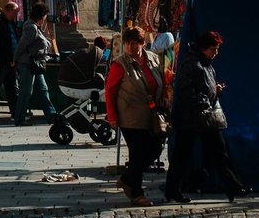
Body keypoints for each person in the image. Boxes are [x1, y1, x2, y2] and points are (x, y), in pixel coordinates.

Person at [164, 29, 247, 204]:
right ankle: (173, 189)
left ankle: (233, 186)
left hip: (205, 117)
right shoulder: (192, 63)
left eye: (217, 50)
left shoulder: (206, 64)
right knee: (183, 156)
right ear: (203, 48)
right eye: (213, 49)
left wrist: (215, 90)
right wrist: (207, 97)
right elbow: (185, 89)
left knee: (219, 152)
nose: (215, 53)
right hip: (190, 118)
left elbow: (204, 89)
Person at [105, 26, 167, 207]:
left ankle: (127, 179)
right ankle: (136, 193)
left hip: (152, 116)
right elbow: (109, 91)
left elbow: (160, 81)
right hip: (130, 116)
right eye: (128, 44)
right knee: (138, 153)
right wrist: (112, 116)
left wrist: (163, 98)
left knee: (155, 149)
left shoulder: (154, 59)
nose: (131, 47)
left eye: (135, 43)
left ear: (142, 43)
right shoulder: (120, 64)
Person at [11, 4, 54, 125]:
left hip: (36, 63)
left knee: (43, 89)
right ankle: (19, 119)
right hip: (27, 64)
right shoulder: (31, 27)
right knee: (26, 91)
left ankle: (51, 115)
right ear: (41, 15)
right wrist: (14, 60)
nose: (46, 17)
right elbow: (21, 45)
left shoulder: (36, 26)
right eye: (45, 15)